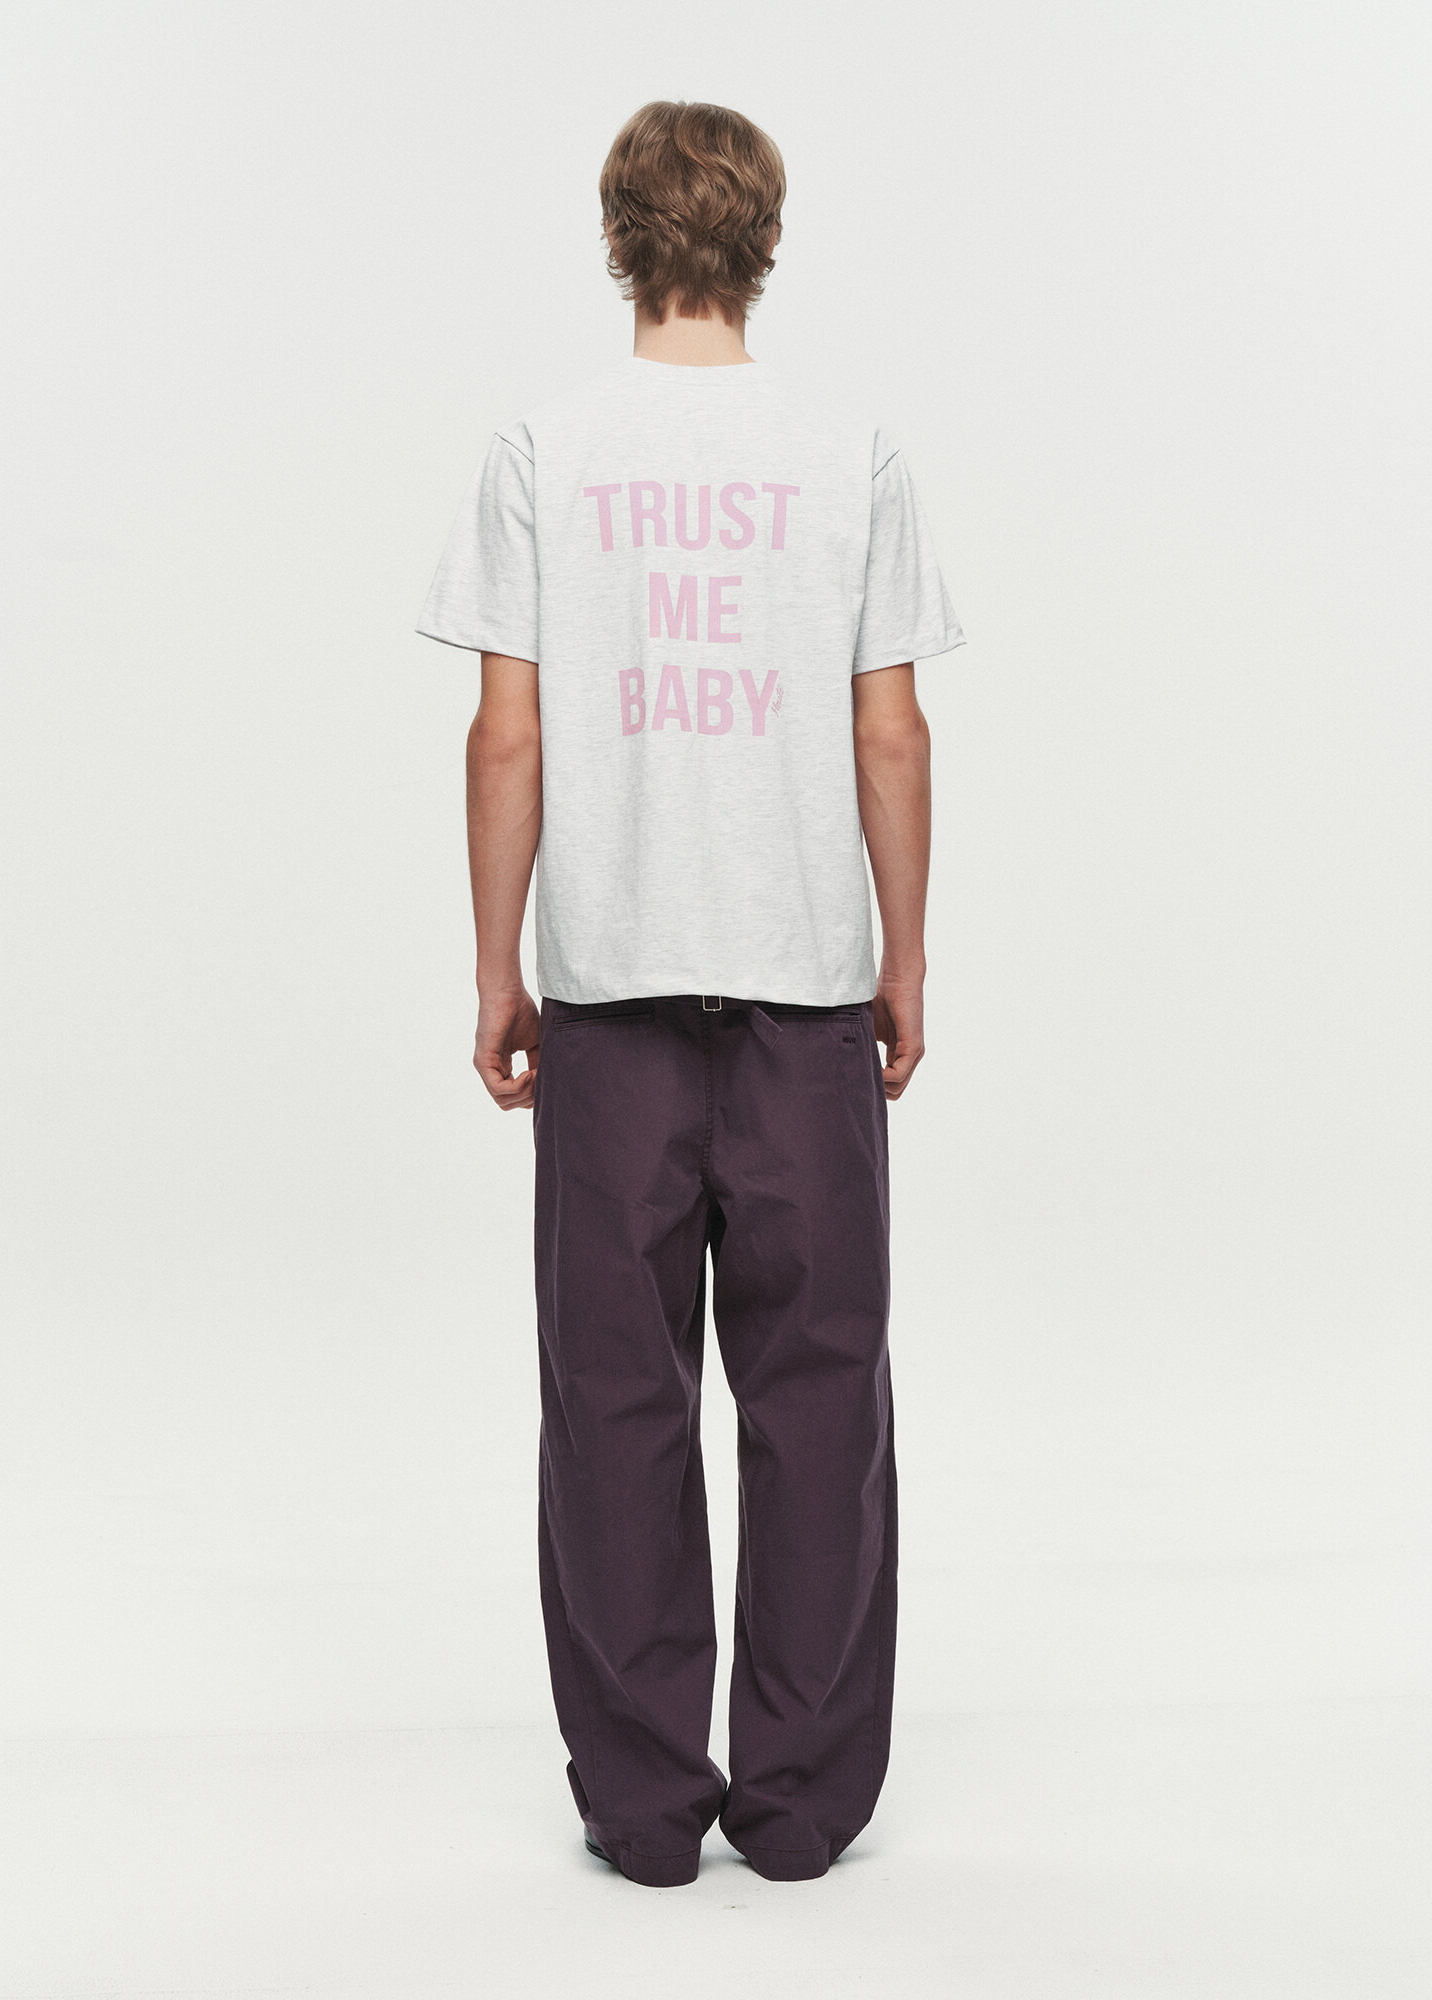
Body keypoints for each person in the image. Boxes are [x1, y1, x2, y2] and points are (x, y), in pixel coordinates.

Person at [417, 98, 964, 1887]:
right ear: (765, 242)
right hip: (803, 1002)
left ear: (618, 241)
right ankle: (800, 1804)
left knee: (613, 1401)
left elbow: (508, 736)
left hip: (612, 1007)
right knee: (821, 1400)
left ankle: (647, 1807)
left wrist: (497, 968)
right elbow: (891, 730)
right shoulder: (851, 454)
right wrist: (902, 955)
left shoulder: (541, 454)